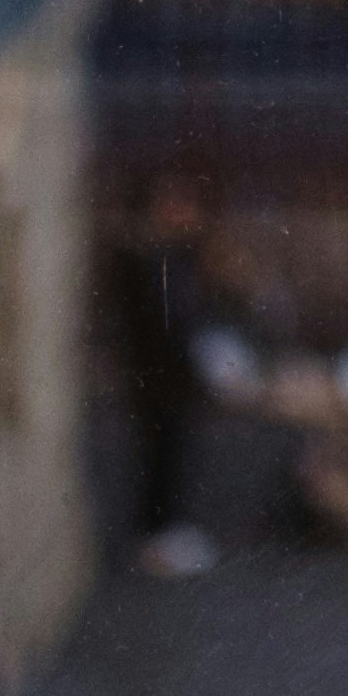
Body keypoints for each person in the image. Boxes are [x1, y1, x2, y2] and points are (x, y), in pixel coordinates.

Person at [102, 177, 223, 578]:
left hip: (175, 380)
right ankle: (155, 539)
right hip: (156, 381)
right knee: (158, 459)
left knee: (174, 456)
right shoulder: (144, 260)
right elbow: (153, 325)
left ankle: (166, 535)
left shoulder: (177, 257)